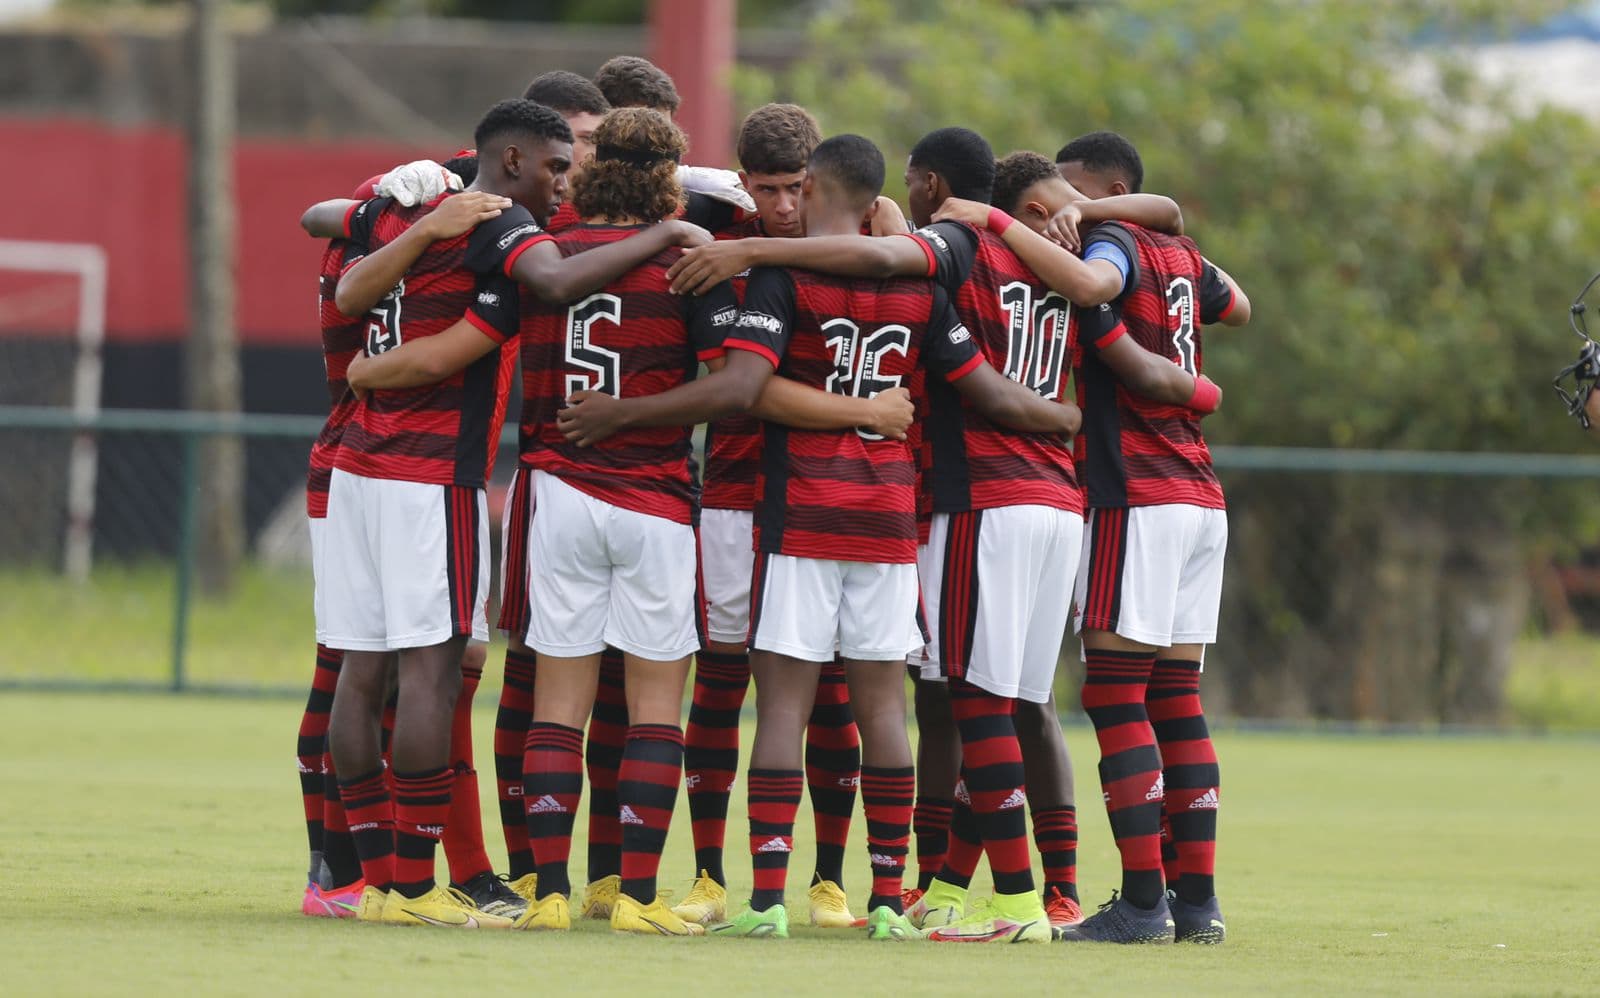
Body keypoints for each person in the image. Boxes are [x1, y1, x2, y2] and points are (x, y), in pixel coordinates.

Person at [665, 126, 1209, 941]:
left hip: (916, 503)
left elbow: (767, 372)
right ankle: (939, 890)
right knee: (988, 704)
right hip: (1004, 507)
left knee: (890, 701)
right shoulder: (1050, 260)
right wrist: (1072, 418)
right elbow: (997, 376)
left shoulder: (939, 252)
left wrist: (753, 253)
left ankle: (977, 898)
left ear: (925, 186)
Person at [558, 132, 1082, 942]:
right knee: (883, 709)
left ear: (809, 190)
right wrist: (1072, 420)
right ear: (876, 199)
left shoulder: (780, 274)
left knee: (781, 703)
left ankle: (767, 899)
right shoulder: (923, 283)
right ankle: (887, 899)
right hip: (888, 517)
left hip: (801, 510)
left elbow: (747, 388)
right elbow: (984, 388)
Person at [305, 101, 589, 931]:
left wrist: (422, 226)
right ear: (511, 161)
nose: (564, 183)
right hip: (429, 477)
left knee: (361, 671)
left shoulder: (399, 206)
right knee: (433, 672)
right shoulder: (502, 229)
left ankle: (377, 881)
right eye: (556, 166)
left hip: (357, 469)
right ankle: (416, 885)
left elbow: (343, 268)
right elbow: (552, 282)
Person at [499, 108, 739, 937]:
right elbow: (729, 387)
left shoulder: (544, 250)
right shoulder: (688, 262)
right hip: (654, 501)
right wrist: (638, 412)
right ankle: (637, 897)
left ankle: (550, 894)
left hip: (558, 493)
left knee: (556, 705)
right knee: (654, 709)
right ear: (669, 176)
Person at [1045, 130, 1249, 945]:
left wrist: (1081, 258)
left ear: (1108, 189)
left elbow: (1098, 281)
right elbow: (1239, 305)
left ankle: (1140, 905)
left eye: (1070, 188)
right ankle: (1196, 905)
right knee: (1175, 699)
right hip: (1199, 494)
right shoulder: (1181, 253)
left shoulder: (1112, 245)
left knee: (1113, 693)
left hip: (1135, 492)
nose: (1059, 204)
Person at [670, 102, 869, 932]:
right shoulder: (717, 230)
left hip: (826, 499)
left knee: (832, 694)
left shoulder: (863, 238)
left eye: (796, 187)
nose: (784, 205)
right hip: (733, 494)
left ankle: (828, 882)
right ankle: (710, 878)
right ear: (743, 182)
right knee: (720, 683)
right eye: (767, 189)